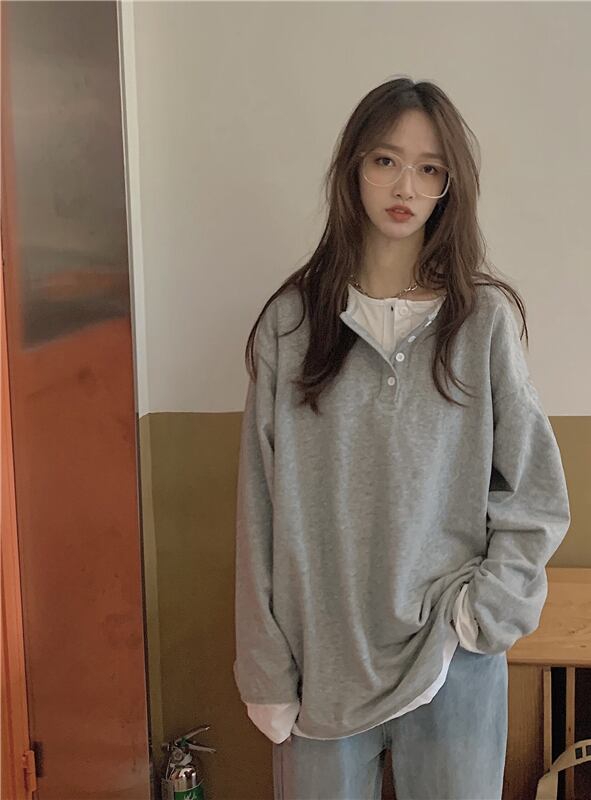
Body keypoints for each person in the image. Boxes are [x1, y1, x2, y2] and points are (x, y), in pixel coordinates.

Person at [233, 76, 571, 799]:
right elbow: (259, 509)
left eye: (428, 168)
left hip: (451, 652)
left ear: (449, 186)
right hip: (320, 661)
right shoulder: (290, 325)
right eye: (385, 160)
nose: (405, 187)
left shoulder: (482, 323)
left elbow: (537, 494)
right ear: (353, 167)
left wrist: (484, 614)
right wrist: (264, 667)